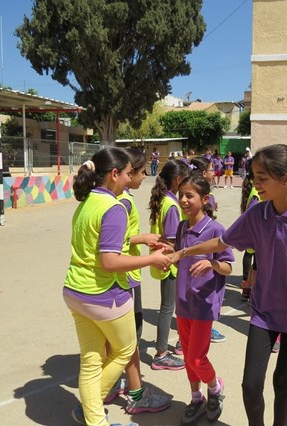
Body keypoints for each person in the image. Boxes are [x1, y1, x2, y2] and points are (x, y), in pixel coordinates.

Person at [168, 144, 287, 426]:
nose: (255, 183)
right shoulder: (257, 214)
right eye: (254, 176)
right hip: (264, 311)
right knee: (250, 385)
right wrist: (184, 252)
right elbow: (222, 242)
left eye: (262, 178)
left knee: (282, 381)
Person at [63, 147, 171, 425]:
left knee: (91, 360)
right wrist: (152, 259)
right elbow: (109, 261)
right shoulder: (113, 207)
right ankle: (92, 408)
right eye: (127, 173)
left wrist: (142, 242)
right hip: (103, 294)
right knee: (124, 350)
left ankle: (94, 419)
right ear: (114, 174)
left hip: (75, 291)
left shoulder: (86, 202)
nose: (130, 178)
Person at [104, 148, 173, 414]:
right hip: (124, 276)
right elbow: (114, 243)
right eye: (140, 171)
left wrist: (142, 237)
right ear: (125, 172)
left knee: (121, 338)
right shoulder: (120, 202)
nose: (144, 176)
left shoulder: (117, 198)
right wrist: (143, 241)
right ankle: (133, 391)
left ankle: (118, 383)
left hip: (123, 274)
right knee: (128, 338)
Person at [174, 174, 234, 425]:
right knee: (188, 356)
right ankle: (196, 397)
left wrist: (211, 263)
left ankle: (215, 387)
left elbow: (229, 266)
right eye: (181, 195)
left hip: (204, 303)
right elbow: (179, 256)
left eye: (190, 195)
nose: (184, 200)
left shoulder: (216, 230)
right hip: (183, 301)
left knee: (197, 357)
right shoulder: (181, 227)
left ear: (205, 199)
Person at [148, 159, 191, 370]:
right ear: (177, 180)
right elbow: (173, 241)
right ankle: (161, 353)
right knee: (168, 308)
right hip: (169, 263)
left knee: (169, 306)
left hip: (162, 259)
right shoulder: (172, 205)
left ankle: (172, 346)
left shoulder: (163, 199)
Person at [190, 156, 227, 344]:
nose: (213, 173)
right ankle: (197, 333)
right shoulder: (202, 196)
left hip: (206, 250)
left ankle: (204, 328)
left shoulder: (199, 193)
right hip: (204, 247)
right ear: (204, 173)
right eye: (211, 169)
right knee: (202, 290)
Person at [239, 159, 260, 300]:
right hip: (257, 233)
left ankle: (247, 287)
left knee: (254, 261)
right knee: (257, 264)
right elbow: (251, 214)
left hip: (255, 232)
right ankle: (248, 287)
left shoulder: (253, 188)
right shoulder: (256, 192)